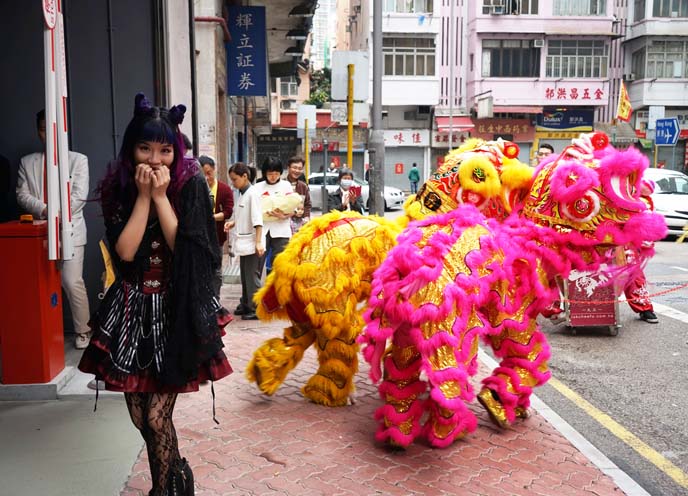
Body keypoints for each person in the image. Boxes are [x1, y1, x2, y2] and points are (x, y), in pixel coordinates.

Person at [78, 94, 232, 495]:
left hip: (174, 310)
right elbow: (125, 252)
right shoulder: (118, 187)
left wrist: (162, 197)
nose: (155, 159)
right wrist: (145, 197)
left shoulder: (193, 183)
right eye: (145, 148)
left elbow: (189, 252)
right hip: (130, 309)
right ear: (132, 148)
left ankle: (163, 490)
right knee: (139, 417)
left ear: (175, 150)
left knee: (158, 419)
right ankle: (178, 470)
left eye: (165, 150)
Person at [16, 109, 91, 349]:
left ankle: (83, 331)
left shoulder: (78, 160)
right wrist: (47, 210)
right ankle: (45, 332)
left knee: (71, 281)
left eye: (51, 128)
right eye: (42, 129)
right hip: (40, 233)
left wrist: (59, 214)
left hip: (71, 231)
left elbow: (79, 196)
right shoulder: (28, 162)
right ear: (38, 132)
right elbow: (22, 194)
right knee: (40, 284)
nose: (47, 134)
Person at [225, 162, 264, 320]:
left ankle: (256, 309)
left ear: (245, 176)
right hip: (245, 242)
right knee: (245, 276)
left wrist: (259, 242)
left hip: (252, 242)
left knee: (252, 276)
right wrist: (232, 222)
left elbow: (258, 221)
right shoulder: (243, 193)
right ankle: (247, 304)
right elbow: (242, 215)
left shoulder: (252, 194)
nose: (232, 183)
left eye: (234, 179)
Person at [199, 155, 234, 297]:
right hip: (199, 236)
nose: (206, 177)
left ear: (214, 170)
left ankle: (215, 299)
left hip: (216, 236)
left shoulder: (224, 189)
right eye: (202, 174)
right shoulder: (195, 189)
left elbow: (228, 212)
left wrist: (211, 218)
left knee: (216, 270)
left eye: (209, 173)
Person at [254, 157, 293, 276]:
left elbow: (293, 207)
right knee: (258, 262)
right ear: (265, 173)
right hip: (262, 229)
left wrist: (283, 215)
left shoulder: (286, 186)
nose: (273, 177)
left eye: (276, 173)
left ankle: (277, 291)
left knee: (279, 263)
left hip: (281, 229)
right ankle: (255, 291)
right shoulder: (257, 187)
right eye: (270, 174)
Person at [285, 156, 311, 234]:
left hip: (299, 225)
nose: (297, 170)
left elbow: (307, 204)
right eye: (294, 167)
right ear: (288, 168)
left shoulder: (303, 186)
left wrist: (306, 218)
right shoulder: (282, 185)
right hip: (283, 223)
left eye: (300, 168)